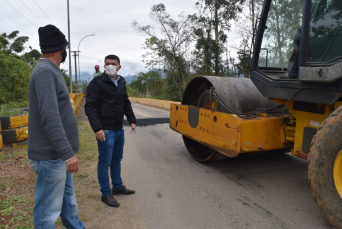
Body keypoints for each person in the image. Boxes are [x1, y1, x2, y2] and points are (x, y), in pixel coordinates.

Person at [27, 24, 85, 229]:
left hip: (57, 157)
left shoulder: (51, 71)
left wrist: (65, 154)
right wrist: (67, 153)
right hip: (51, 157)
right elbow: (50, 118)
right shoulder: (45, 72)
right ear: (62, 49)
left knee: (68, 204)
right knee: (46, 213)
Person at [85, 54, 137, 207]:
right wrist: (97, 128)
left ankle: (118, 186)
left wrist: (132, 120)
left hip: (118, 129)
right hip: (105, 130)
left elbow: (125, 102)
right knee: (104, 163)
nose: (109, 66)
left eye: (113, 63)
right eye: (107, 63)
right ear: (103, 65)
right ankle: (105, 193)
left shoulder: (121, 82)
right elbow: (90, 107)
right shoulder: (97, 83)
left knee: (116, 159)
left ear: (119, 66)